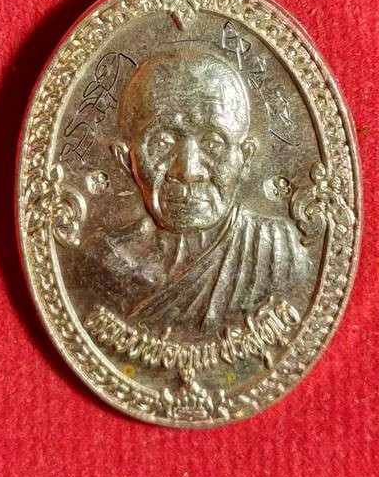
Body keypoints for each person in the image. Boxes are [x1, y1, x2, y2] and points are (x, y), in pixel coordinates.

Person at [80, 49, 310, 335]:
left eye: (213, 144)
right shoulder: (104, 262)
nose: (188, 170)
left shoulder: (279, 252)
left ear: (245, 158)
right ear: (127, 160)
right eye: (163, 142)